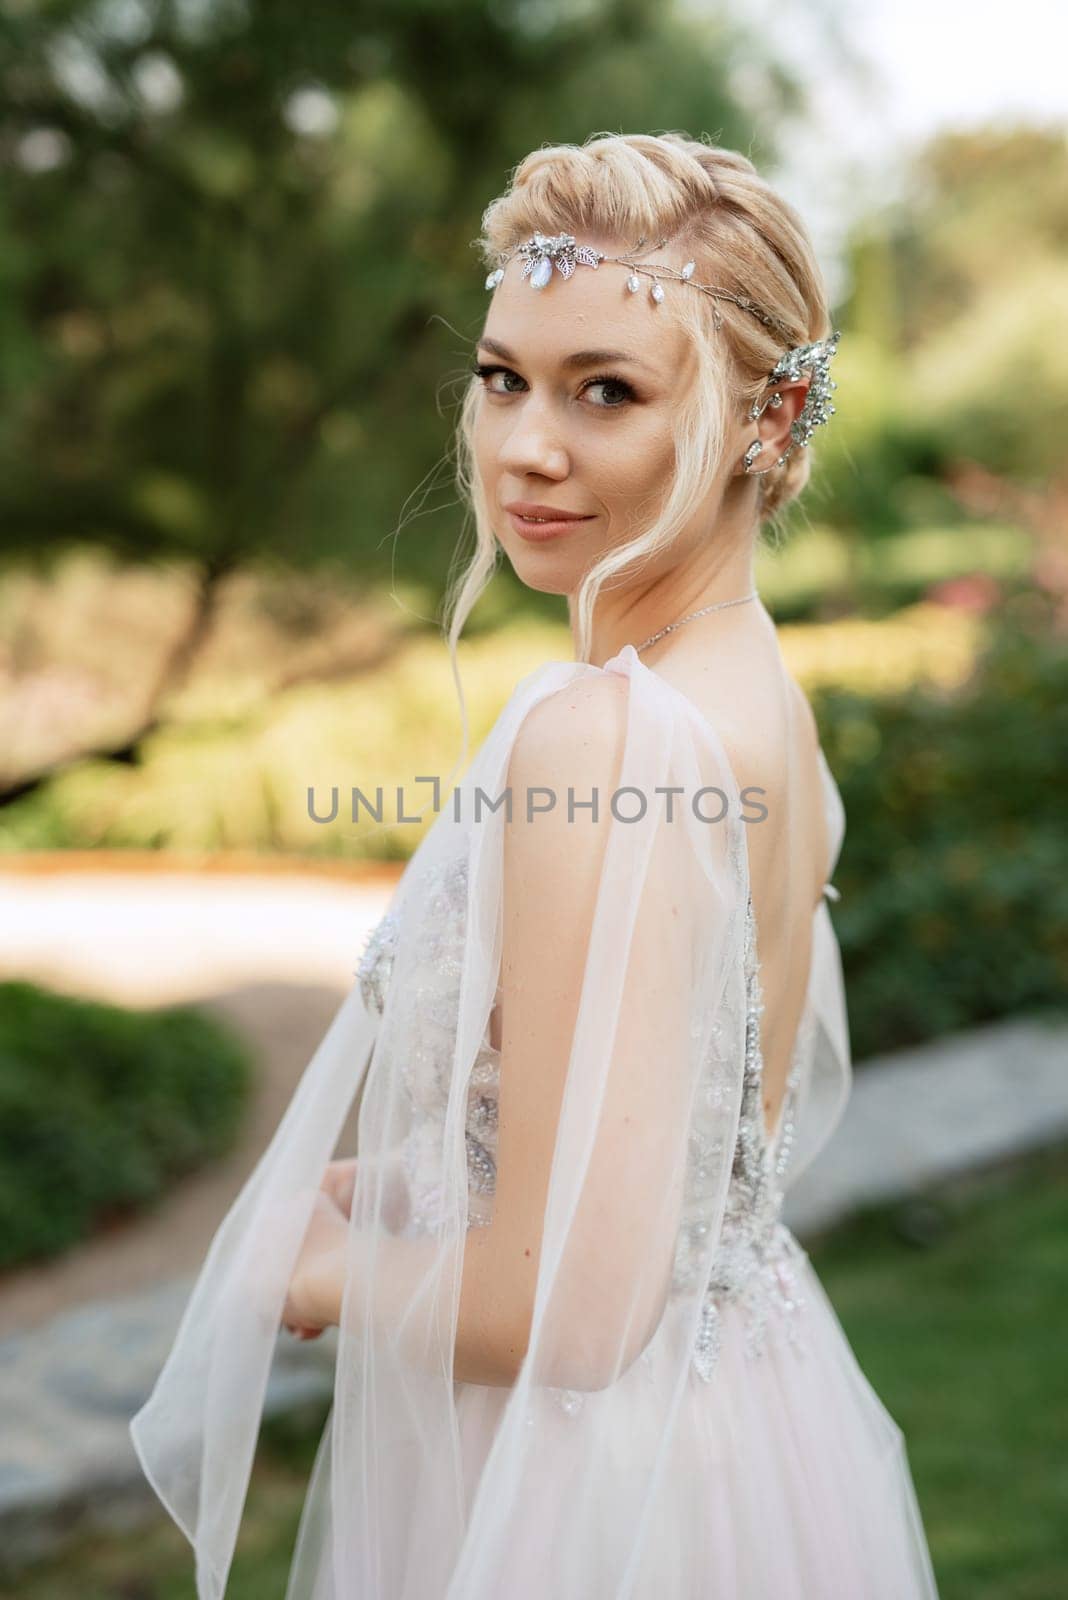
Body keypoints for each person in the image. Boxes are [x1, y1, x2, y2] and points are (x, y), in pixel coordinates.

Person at [130, 132, 941, 1598]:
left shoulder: (605, 739)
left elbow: (578, 1308)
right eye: (504, 375)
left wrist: (295, 1272)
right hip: (738, 1427)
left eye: (606, 392)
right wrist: (405, 1185)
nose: (523, 447)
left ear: (766, 424)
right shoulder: (760, 691)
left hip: (584, 1494)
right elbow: (664, 1140)